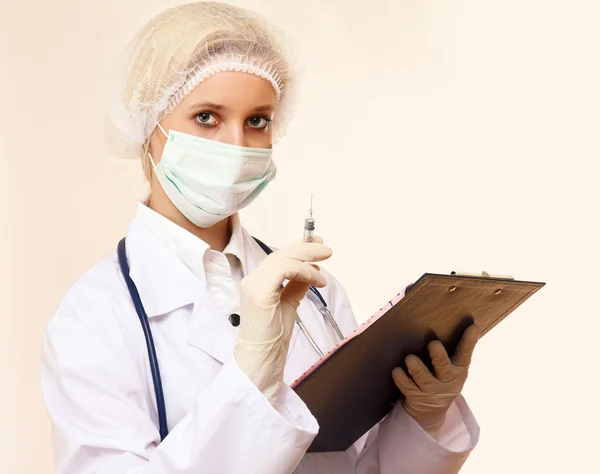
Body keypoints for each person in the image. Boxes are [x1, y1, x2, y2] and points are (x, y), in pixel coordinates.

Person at [41, 2, 481, 473]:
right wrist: (251, 375)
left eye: (257, 121)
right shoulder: (95, 316)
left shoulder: (317, 294)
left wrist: (423, 418)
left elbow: (360, 467)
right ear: (148, 126)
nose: (236, 145)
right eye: (207, 117)